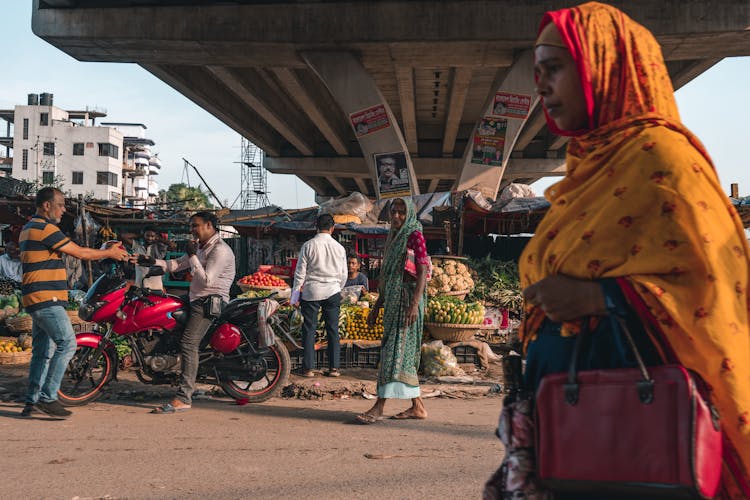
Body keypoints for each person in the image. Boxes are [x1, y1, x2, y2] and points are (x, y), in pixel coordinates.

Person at [505, 2, 749, 497]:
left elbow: (713, 289)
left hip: (635, 433)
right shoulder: (587, 165)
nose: (542, 86)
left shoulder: (664, 161)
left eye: (554, 69)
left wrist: (602, 299)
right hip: (569, 424)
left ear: (603, 66)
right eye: (538, 72)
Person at [20, 187, 129, 418]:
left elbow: (79, 251)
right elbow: (80, 253)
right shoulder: (45, 228)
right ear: (46, 205)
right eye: (60, 205)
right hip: (46, 297)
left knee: (43, 351)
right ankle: (48, 398)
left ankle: (32, 400)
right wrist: (109, 254)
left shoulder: (29, 227)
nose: (63, 210)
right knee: (67, 344)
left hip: (35, 298)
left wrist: (103, 251)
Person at [141, 211, 236, 413]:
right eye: (191, 226)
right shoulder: (201, 247)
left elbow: (206, 280)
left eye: (195, 225)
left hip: (210, 301)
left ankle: (184, 397)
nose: (192, 230)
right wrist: (148, 261)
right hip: (195, 297)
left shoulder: (220, 250)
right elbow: (175, 265)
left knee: (188, 343)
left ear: (209, 226)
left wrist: (192, 255)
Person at [356, 197, 430, 424]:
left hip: (407, 306)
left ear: (409, 214)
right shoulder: (394, 237)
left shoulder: (414, 235)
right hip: (393, 305)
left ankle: (379, 407)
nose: (396, 216)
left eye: (401, 212)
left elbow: (423, 270)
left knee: (393, 357)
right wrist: (377, 307)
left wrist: (414, 303)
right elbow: (388, 278)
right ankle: (418, 407)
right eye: (393, 211)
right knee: (400, 357)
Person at [290, 214, 347, 378]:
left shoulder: (308, 245)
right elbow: (344, 275)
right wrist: (337, 288)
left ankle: (308, 369)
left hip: (311, 291)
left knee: (309, 329)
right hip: (333, 291)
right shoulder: (339, 248)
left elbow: (299, 274)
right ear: (332, 228)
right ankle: (334, 368)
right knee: (333, 329)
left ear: (316, 226)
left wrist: (294, 297)